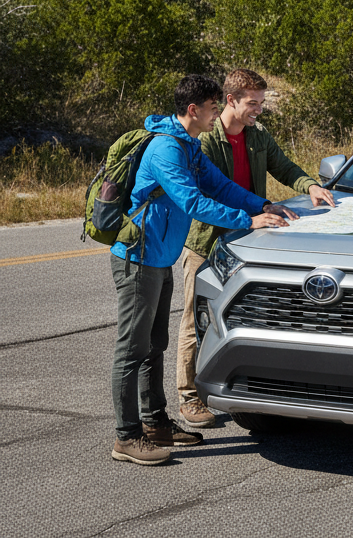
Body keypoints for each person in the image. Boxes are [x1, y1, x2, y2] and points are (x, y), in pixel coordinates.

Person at [110, 74, 296, 465]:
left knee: (154, 346)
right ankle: (126, 437)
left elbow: (221, 186)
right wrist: (247, 221)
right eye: (213, 108)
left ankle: (155, 424)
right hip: (137, 260)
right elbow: (193, 202)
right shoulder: (166, 149)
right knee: (132, 350)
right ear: (193, 110)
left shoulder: (189, 145)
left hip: (159, 258)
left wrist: (261, 206)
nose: (216, 114)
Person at [176, 68, 336, 427]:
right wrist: (251, 216)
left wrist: (310, 185)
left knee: (248, 318)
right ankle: (189, 397)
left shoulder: (258, 134)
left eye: (261, 103)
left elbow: (284, 167)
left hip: (250, 244)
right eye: (253, 103)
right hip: (207, 244)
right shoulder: (206, 140)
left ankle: (249, 386)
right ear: (230, 100)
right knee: (196, 320)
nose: (259, 110)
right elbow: (208, 194)